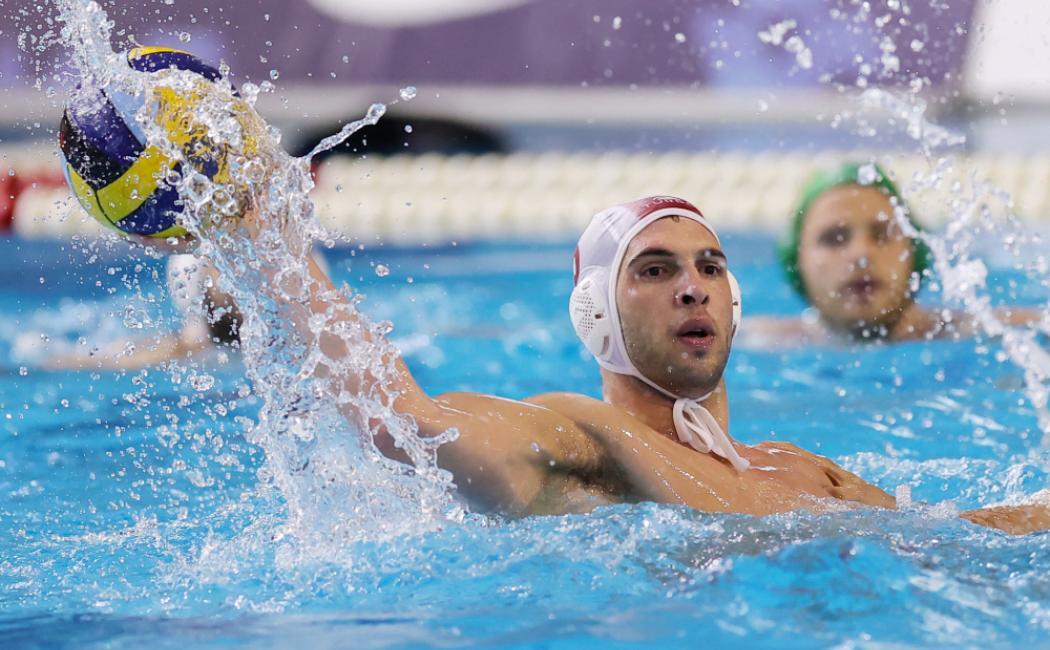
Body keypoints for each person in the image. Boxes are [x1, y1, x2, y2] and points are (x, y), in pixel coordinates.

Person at [202, 194, 1048, 534]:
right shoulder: (587, 441)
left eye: (710, 267)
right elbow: (406, 422)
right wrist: (265, 234)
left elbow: (958, 535)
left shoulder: (801, 469)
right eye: (654, 270)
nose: (693, 286)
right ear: (596, 314)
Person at [743, 162, 1046, 346]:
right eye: (834, 238)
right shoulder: (757, 341)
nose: (861, 254)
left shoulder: (997, 332)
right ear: (796, 262)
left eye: (883, 234)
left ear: (914, 252)